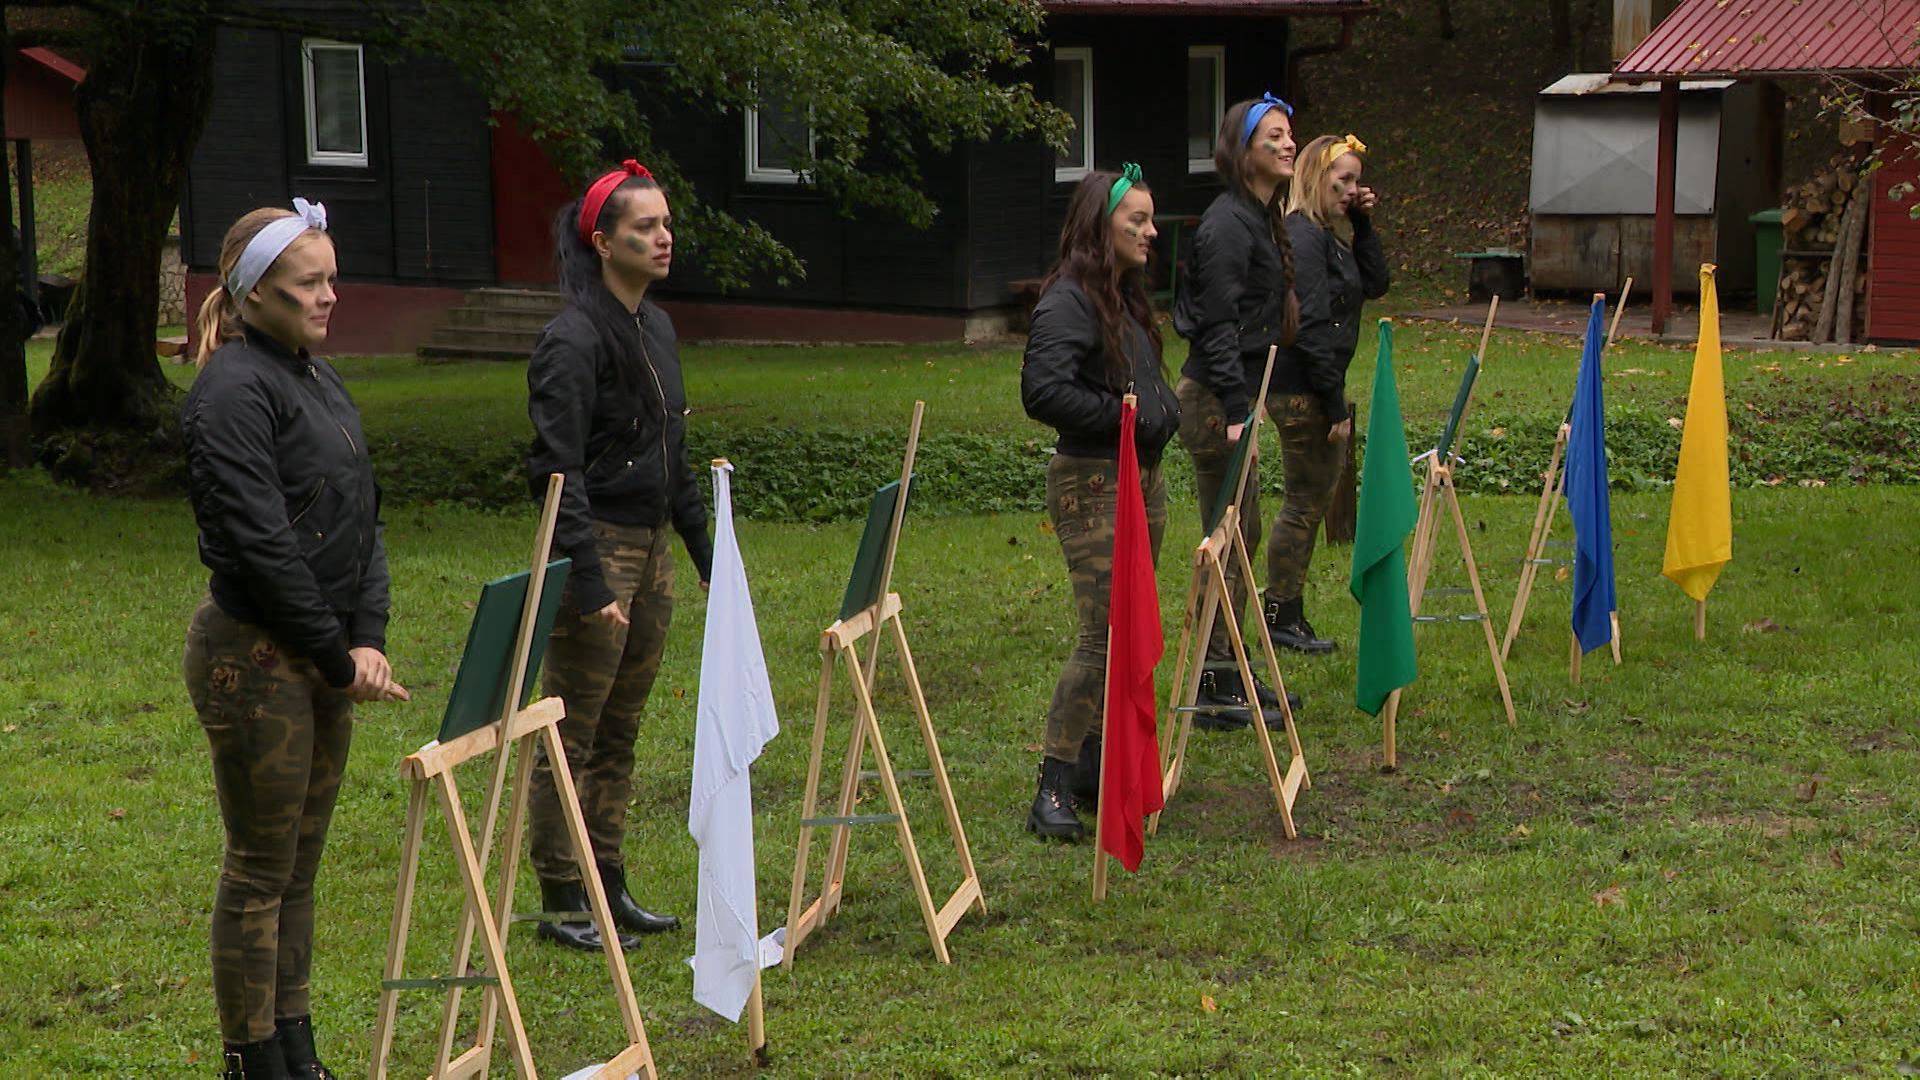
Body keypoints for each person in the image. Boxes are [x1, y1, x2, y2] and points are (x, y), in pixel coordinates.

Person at [182, 200, 409, 1080]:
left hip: (320, 655)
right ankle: (253, 1057)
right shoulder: (232, 392)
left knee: (301, 865)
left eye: (330, 278)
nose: (329, 297)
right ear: (253, 294)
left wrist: (369, 635)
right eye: (308, 283)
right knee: (260, 870)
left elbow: (362, 511)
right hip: (256, 659)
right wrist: (333, 654)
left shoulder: (314, 375)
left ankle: (298, 1048)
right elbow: (263, 544)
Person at [524, 160, 712, 951]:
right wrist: (591, 578)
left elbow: (673, 450)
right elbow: (554, 471)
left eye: (666, 225)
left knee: (623, 726)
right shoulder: (571, 338)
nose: (662, 238)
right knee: (573, 729)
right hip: (596, 547)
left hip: (654, 544)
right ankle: (563, 896)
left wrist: (710, 551)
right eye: (645, 227)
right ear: (603, 242)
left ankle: (607, 877)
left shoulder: (656, 327)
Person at [1020, 164, 1179, 842]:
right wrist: (1125, 416)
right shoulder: (1068, 301)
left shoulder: (1123, 296)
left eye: (1149, 220)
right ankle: (1051, 784)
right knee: (1100, 635)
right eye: (1135, 221)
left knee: (1128, 633)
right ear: (1099, 227)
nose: (1150, 232)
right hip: (1093, 485)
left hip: (1140, 485)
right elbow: (1042, 392)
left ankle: (1092, 762)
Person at [1172, 91, 1302, 730]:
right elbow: (1217, 323)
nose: (1287, 143)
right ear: (1242, 149)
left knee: (1239, 539)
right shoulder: (1227, 223)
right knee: (1225, 545)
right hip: (1213, 401)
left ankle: (1229, 669)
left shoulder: (1259, 215)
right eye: (1273, 135)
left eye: (1289, 134)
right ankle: (1212, 686)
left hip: (1235, 400)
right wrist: (1234, 405)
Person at [1266, 134, 1390, 653]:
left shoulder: (1326, 235)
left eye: (1357, 180)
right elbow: (1311, 325)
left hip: (1313, 385)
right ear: (1315, 178)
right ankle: (1281, 614)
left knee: (1311, 499)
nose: (1350, 188)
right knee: (1304, 501)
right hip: (1300, 388)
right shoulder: (1302, 235)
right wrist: (1334, 405)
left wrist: (1361, 222)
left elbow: (1376, 282)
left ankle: (1286, 610)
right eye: (1341, 179)